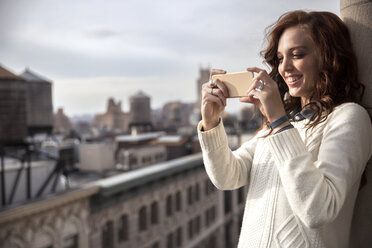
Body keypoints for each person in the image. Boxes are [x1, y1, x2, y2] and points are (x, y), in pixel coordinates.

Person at [198, 10, 372, 248]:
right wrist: (211, 123)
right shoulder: (284, 123)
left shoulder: (349, 117)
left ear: (329, 57)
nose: (285, 67)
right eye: (280, 58)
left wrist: (278, 120)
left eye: (297, 55)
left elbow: (318, 210)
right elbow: (227, 176)